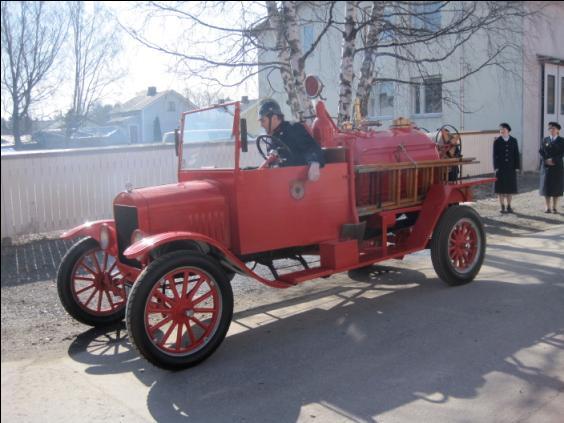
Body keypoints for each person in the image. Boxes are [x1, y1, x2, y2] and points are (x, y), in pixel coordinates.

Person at [258, 98, 324, 181]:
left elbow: (312, 148)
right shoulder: (271, 139)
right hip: (280, 183)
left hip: (299, 182)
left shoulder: (293, 128)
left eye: (263, 121)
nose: (261, 125)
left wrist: (314, 163)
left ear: (274, 118)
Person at [493, 122, 520, 213]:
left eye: (504, 130)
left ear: (508, 131)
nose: (502, 131)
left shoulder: (514, 140)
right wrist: (495, 166)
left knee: (509, 189)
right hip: (500, 168)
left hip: (510, 168)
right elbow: (494, 155)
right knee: (500, 189)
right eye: (501, 130)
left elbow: (516, 154)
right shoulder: (497, 141)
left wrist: (517, 166)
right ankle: (502, 206)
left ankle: (509, 206)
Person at [539, 121, 564, 213]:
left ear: (557, 130)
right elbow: (541, 151)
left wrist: (553, 160)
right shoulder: (545, 139)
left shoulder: (562, 140)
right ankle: (547, 206)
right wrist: (546, 160)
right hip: (546, 167)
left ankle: (555, 207)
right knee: (546, 187)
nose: (552, 130)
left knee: (556, 187)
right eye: (550, 129)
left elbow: (562, 153)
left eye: (554, 129)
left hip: (557, 166)